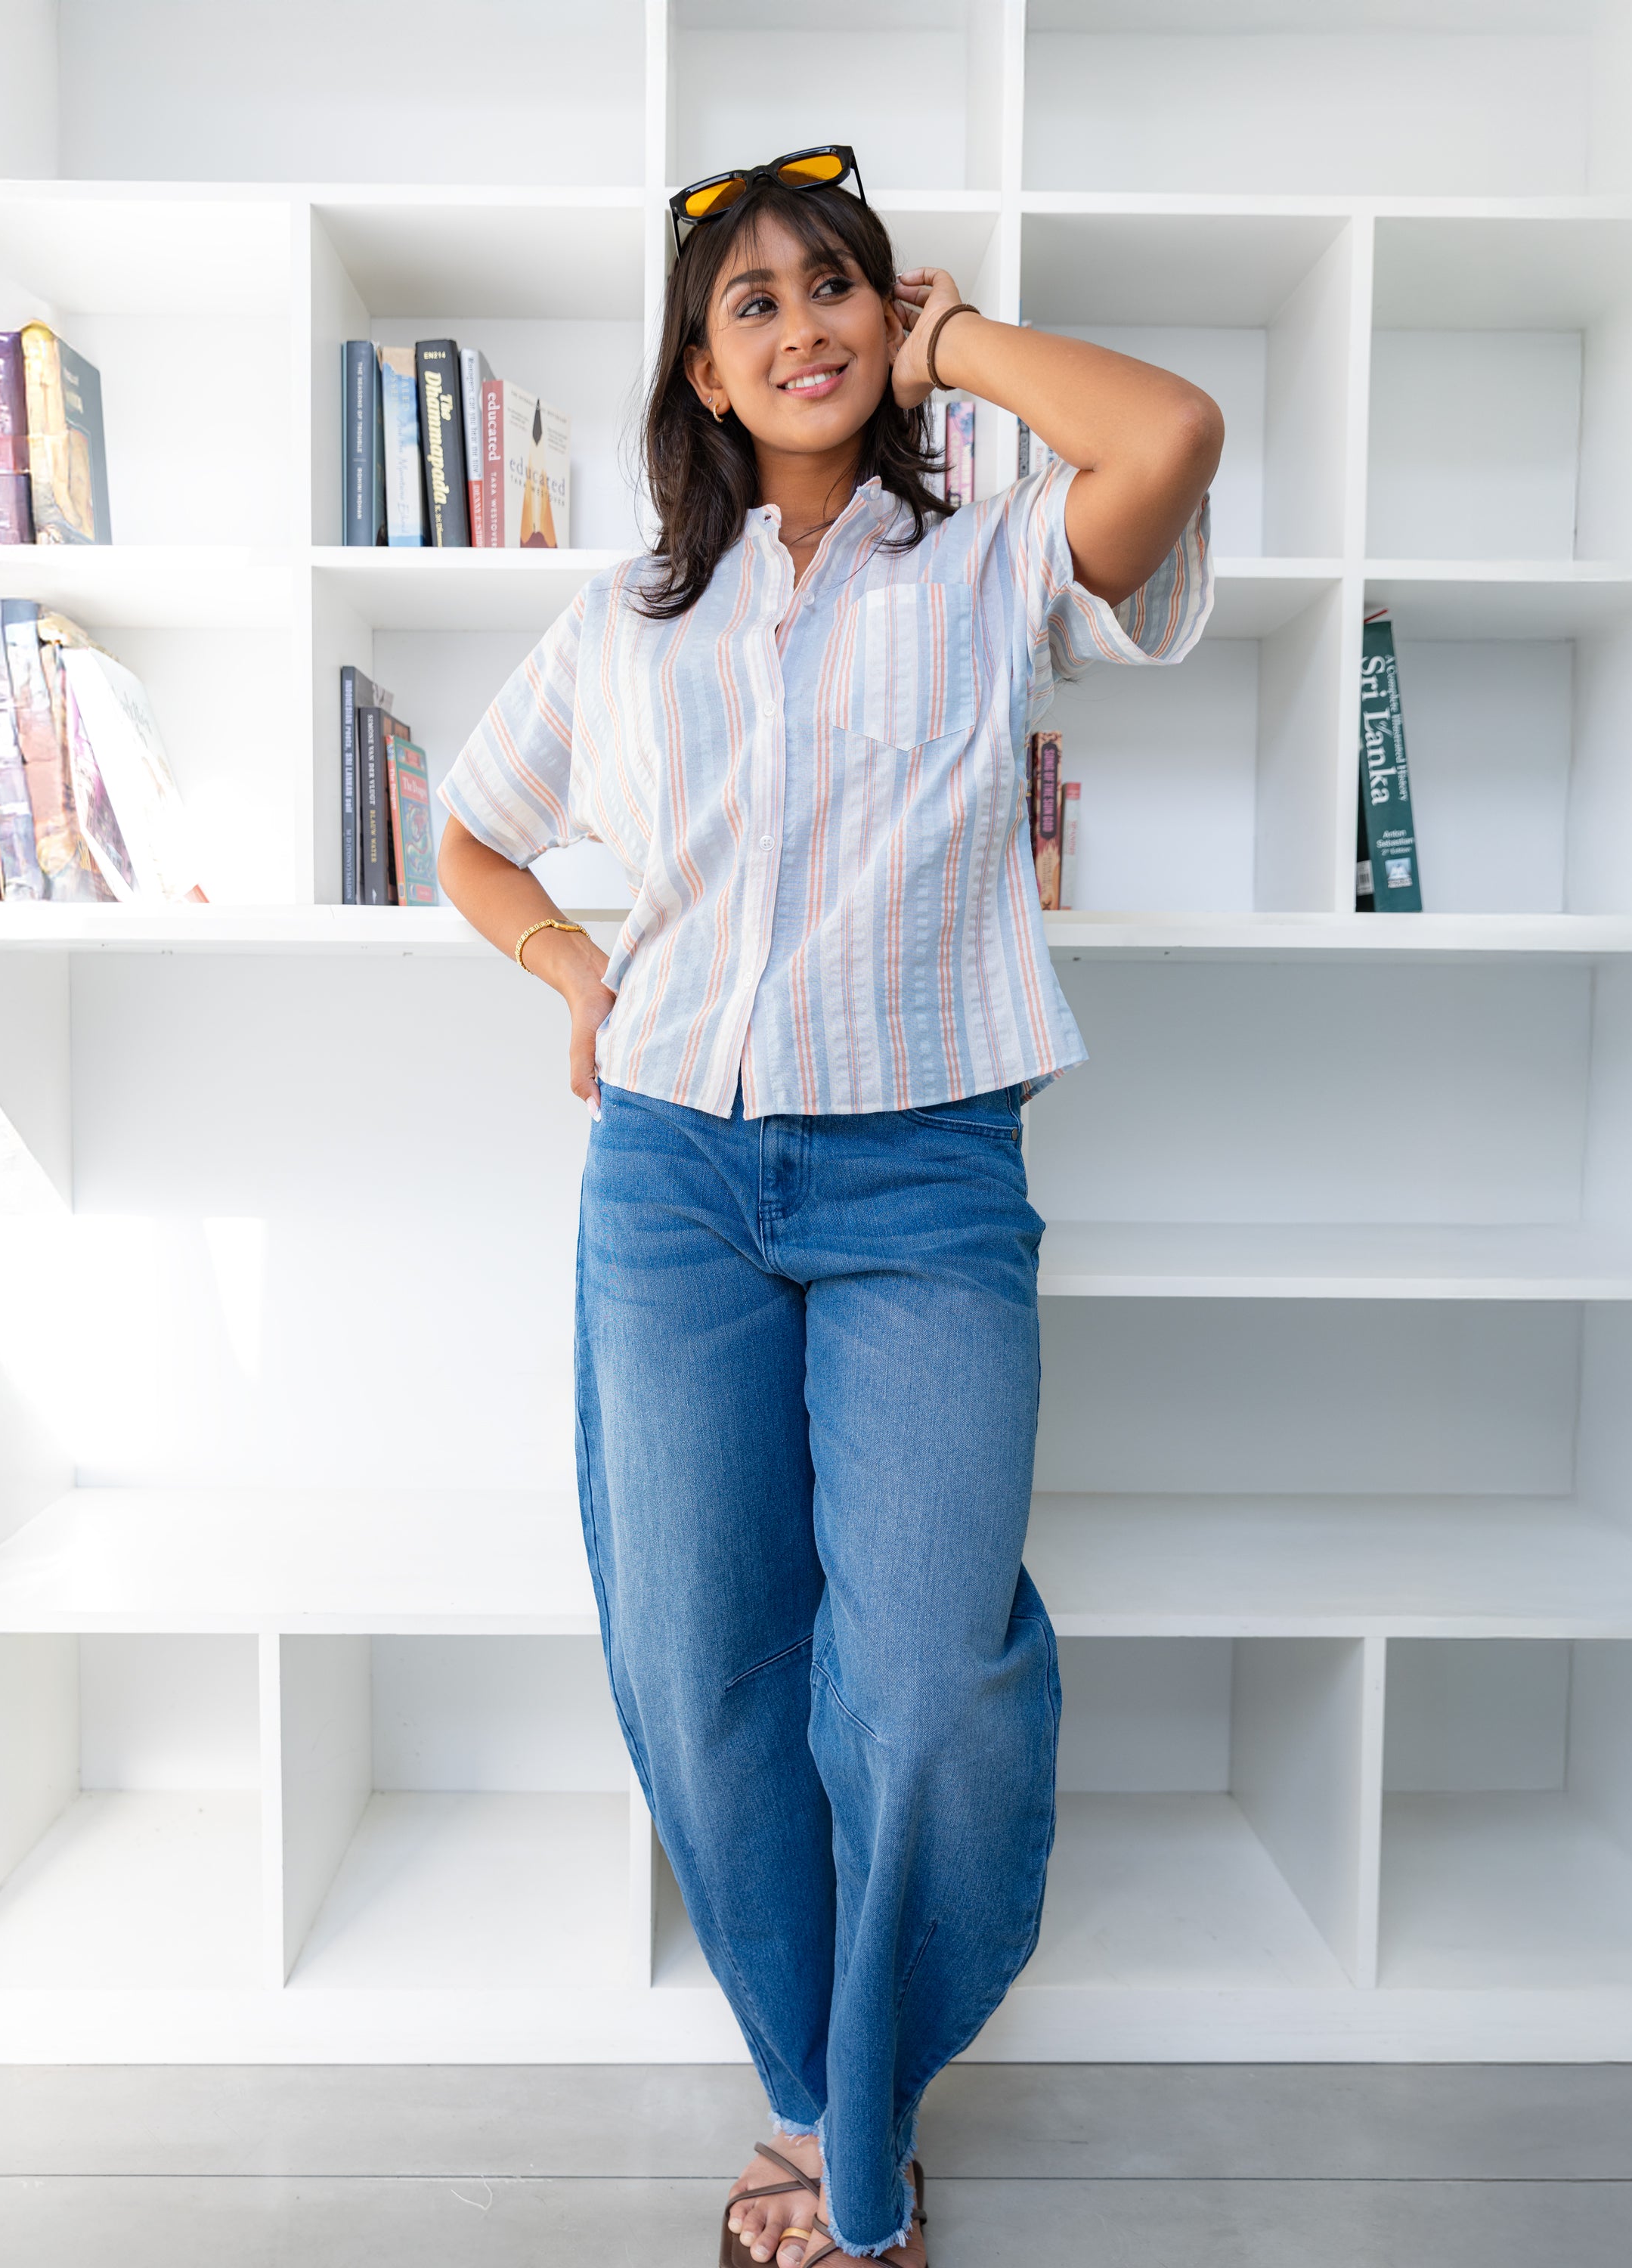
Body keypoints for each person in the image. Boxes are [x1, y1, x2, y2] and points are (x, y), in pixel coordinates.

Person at [436, 145, 1220, 2268]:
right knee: (700, 1658)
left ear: (889, 332)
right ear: (699, 373)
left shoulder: (992, 568)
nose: (801, 324)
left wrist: (960, 342)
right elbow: (474, 840)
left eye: (838, 291)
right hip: (673, 1173)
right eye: (754, 304)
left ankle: (846, 2129)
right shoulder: (624, 620)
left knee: (926, 1671)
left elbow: (1169, 436)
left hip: (926, 1175)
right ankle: (824, 2112)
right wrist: (575, 975)